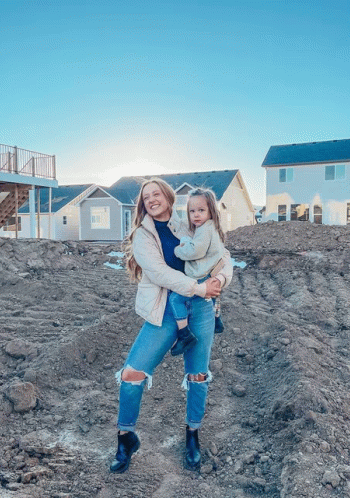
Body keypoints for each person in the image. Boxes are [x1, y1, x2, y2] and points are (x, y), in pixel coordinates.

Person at [109, 178, 233, 474]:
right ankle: (126, 438)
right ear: (143, 203)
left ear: (167, 197)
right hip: (165, 309)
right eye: (146, 196)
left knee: (198, 375)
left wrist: (221, 280)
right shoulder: (143, 235)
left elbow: (223, 254)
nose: (152, 199)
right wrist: (199, 287)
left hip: (201, 309)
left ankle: (192, 435)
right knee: (132, 373)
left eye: (156, 194)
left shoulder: (188, 220)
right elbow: (160, 273)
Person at [169, 187, 226, 357]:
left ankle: (184, 335)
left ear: (211, 210)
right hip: (211, 271)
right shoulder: (211, 227)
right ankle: (217, 320)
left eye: (201, 210)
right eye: (192, 211)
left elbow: (195, 251)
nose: (196, 215)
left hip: (201, 276)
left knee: (175, 300)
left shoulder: (205, 229)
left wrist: (178, 251)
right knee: (214, 294)